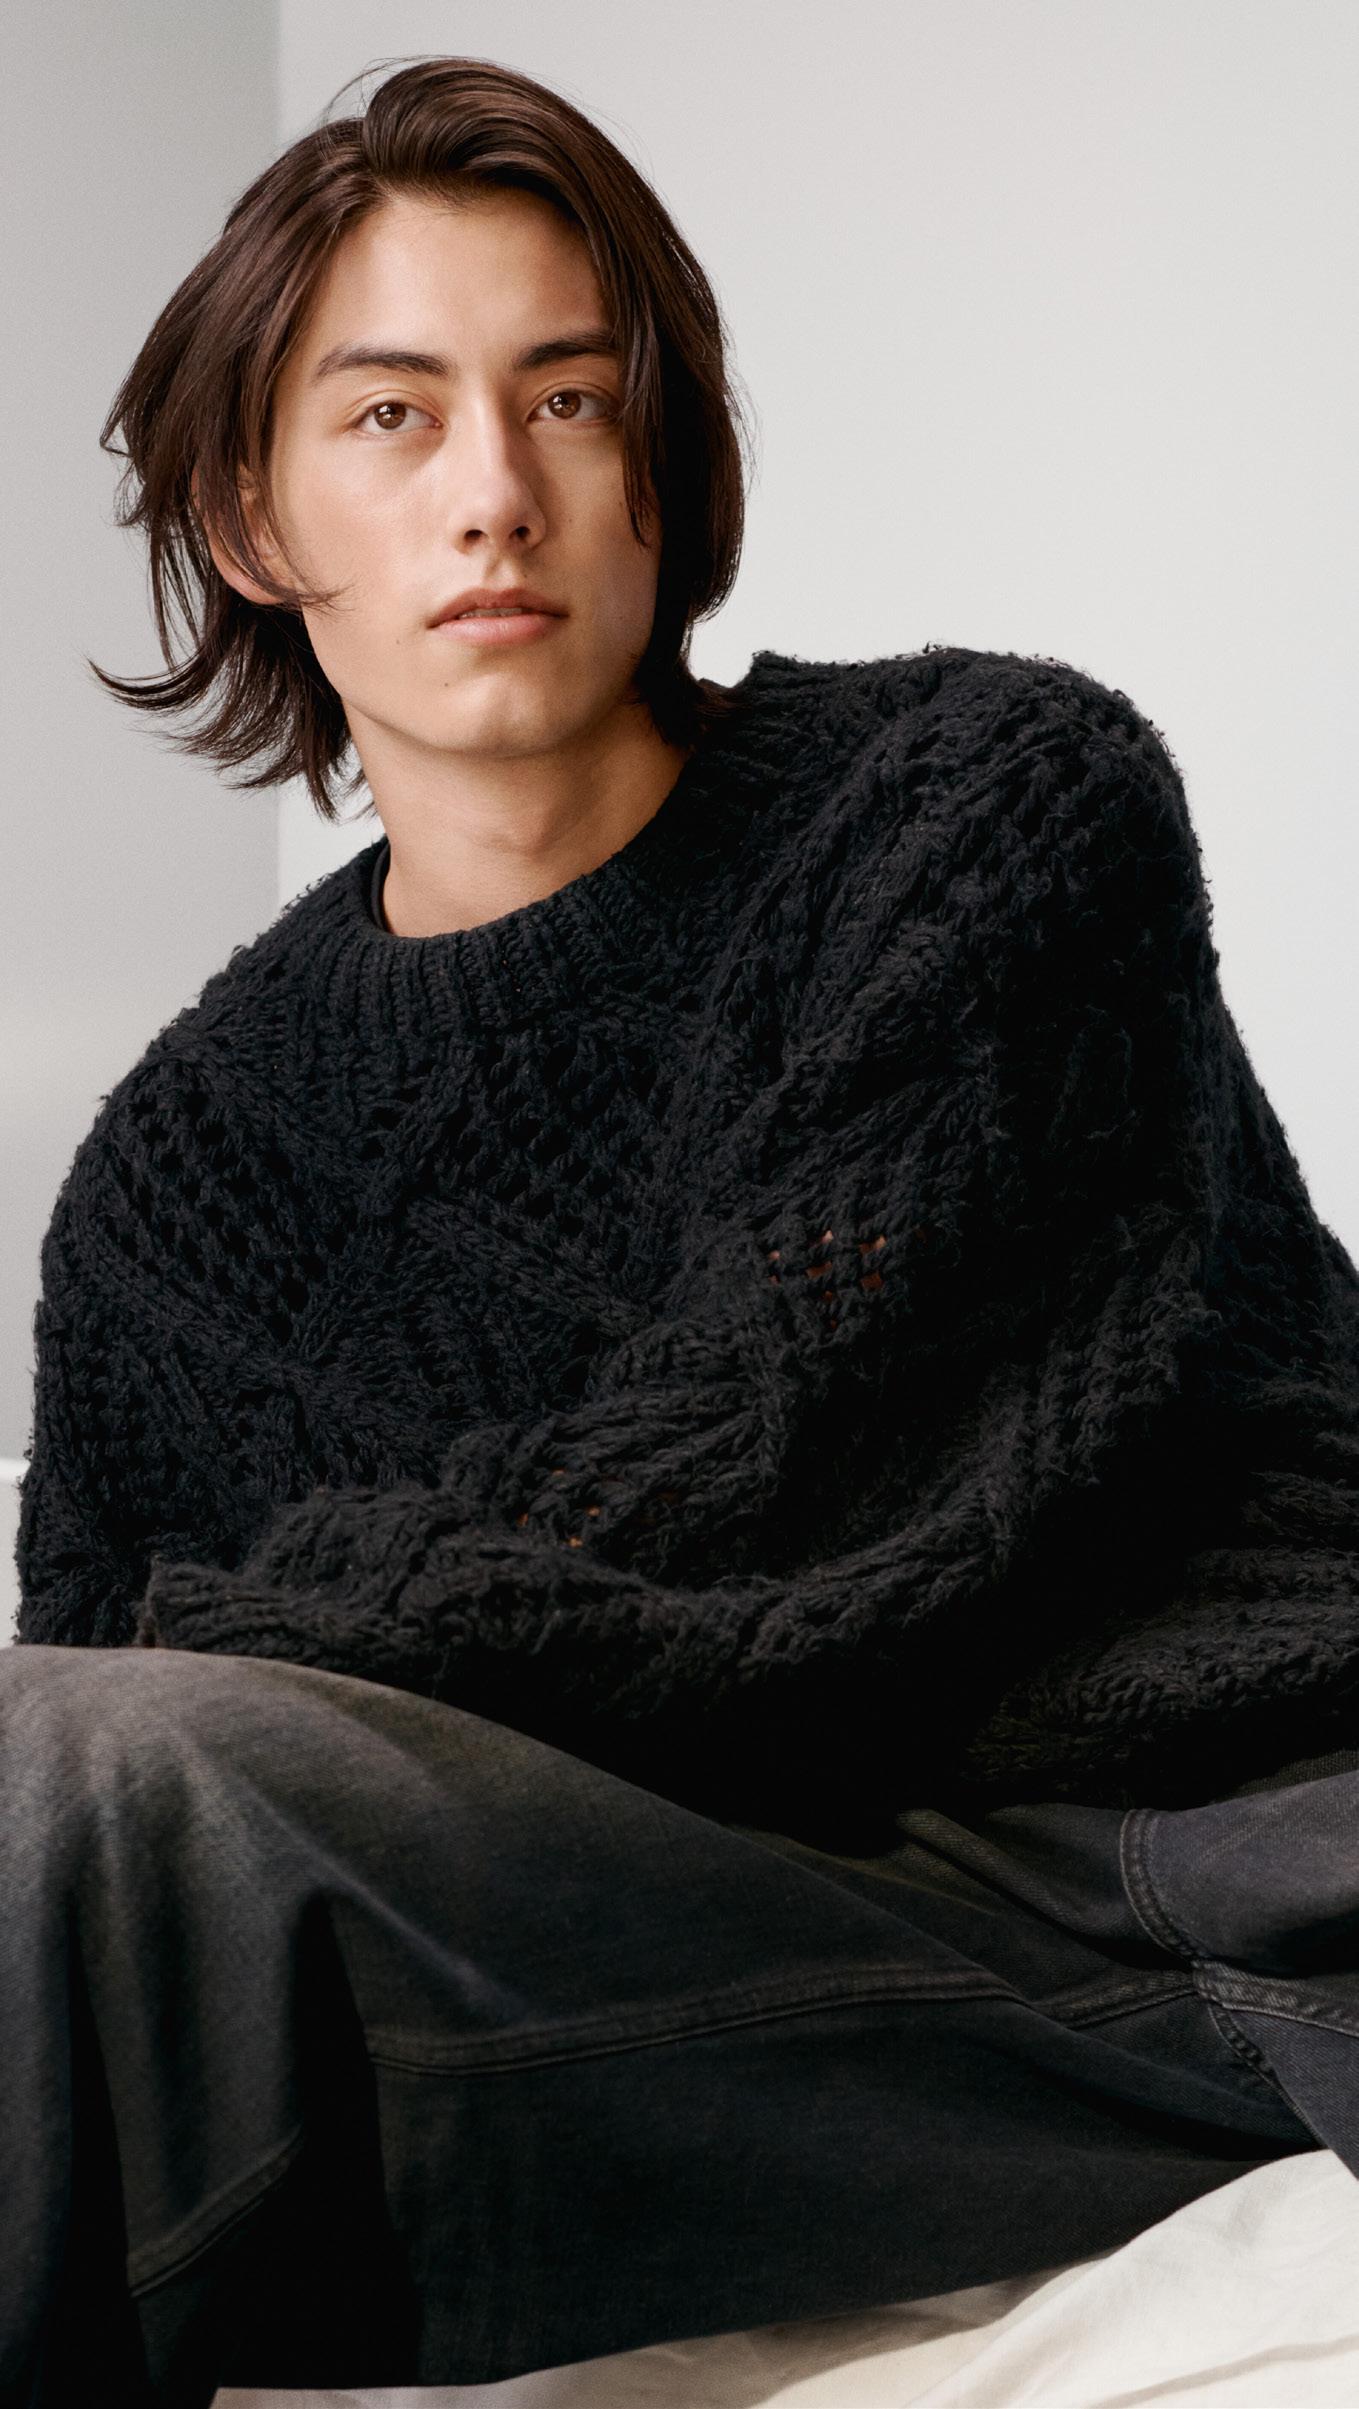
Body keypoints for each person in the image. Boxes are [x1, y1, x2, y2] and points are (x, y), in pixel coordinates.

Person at [9, 50, 1359, 2409]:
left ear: (665, 459)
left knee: (100, 1772)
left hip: (1203, 1871)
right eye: (392, 416)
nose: (494, 492)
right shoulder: (168, 1191)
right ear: (248, 514)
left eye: (569, 397)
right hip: (711, 1933)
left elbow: (766, 1486)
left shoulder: (976, 808)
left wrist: (229, 1646)